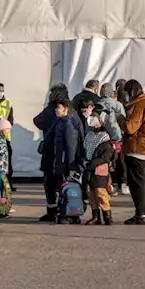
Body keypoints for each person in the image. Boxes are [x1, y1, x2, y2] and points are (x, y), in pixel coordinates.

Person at [121, 79, 145, 225]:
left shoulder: (139, 105)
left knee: (138, 184)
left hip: (138, 150)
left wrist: (120, 119)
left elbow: (130, 127)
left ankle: (140, 215)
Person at [33, 84, 71, 222]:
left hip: (50, 151)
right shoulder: (70, 109)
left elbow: (37, 121)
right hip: (65, 153)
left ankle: (52, 211)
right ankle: (65, 211)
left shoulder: (50, 109)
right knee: (64, 182)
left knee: (49, 183)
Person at [46, 96, 83, 224]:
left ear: (65, 109)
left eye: (59, 108)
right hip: (60, 162)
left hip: (66, 164)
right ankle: (66, 212)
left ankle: (70, 214)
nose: (56, 110)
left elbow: (70, 148)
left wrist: (70, 166)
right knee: (62, 189)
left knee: (67, 188)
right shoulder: (60, 122)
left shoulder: (68, 124)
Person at [82, 113, 116, 226]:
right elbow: (85, 150)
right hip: (90, 169)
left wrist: (92, 163)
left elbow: (106, 156)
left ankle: (107, 216)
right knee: (91, 193)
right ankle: (95, 216)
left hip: (100, 169)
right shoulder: (89, 136)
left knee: (101, 193)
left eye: (94, 118)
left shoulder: (105, 138)